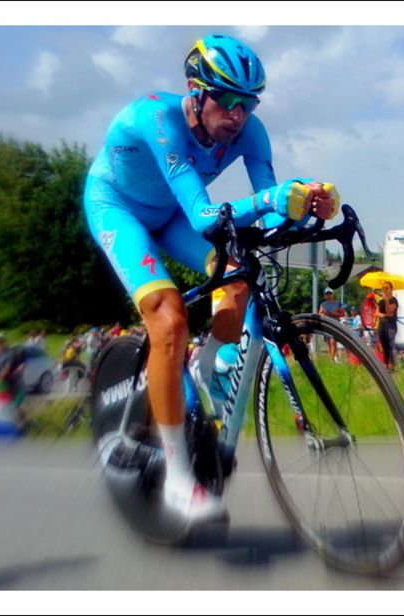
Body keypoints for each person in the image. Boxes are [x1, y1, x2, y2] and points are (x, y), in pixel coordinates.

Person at [83, 34, 340, 522]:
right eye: (226, 101)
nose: (238, 115)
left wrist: (308, 205)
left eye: (248, 104)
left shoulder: (251, 132)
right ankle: (179, 480)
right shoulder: (156, 119)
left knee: (239, 277)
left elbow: (269, 214)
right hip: (119, 208)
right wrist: (270, 200)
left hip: (172, 215)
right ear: (195, 91)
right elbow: (205, 215)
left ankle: (204, 367)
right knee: (169, 318)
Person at [375, 282, 399, 372]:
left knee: (390, 346)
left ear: (391, 289)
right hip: (382, 326)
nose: (384, 290)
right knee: (384, 346)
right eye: (383, 288)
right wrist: (382, 314)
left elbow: (390, 313)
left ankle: (392, 366)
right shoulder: (381, 301)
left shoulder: (393, 300)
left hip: (391, 326)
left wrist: (387, 301)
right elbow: (376, 313)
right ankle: (385, 366)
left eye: (386, 288)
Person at [319, 287, 346, 362]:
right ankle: (330, 358)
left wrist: (333, 313)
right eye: (327, 294)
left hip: (334, 324)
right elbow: (320, 314)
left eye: (330, 293)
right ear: (325, 295)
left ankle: (332, 359)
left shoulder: (337, 303)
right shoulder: (323, 304)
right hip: (326, 324)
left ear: (332, 294)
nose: (328, 295)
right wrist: (324, 313)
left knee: (333, 342)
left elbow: (343, 313)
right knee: (328, 343)